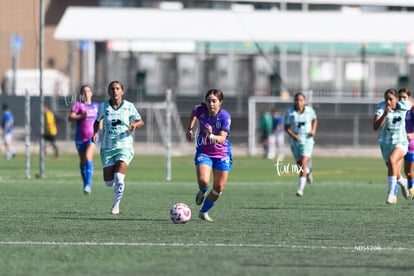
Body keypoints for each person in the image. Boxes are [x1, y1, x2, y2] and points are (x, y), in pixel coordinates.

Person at [92, 80, 144, 215]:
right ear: (109, 92)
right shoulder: (104, 106)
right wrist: (95, 133)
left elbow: (140, 121)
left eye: (117, 88)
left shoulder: (129, 106)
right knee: (109, 183)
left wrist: (134, 125)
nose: (115, 91)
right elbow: (97, 122)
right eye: (112, 89)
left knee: (119, 178)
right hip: (107, 148)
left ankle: (116, 206)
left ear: (122, 91)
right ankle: (115, 183)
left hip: (124, 145)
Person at [186, 89, 232, 222]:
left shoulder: (225, 117)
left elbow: (222, 138)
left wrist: (211, 134)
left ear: (220, 102)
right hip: (204, 151)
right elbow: (194, 113)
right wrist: (190, 128)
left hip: (222, 153)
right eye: (209, 101)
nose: (211, 104)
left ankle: (204, 211)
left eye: (214, 101)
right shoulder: (200, 109)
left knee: (218, 188)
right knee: (204, 180)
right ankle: (202, 190)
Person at [374, 88, 410, 204]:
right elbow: (375, 126)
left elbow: (412, 104)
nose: (388, 102)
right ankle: (403, 182)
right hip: (386, 144)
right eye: (386, 99)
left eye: (391, 99)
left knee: (392, 160)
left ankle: (391, 193)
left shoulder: (404, 105)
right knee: (393, 169)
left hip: (401, 142)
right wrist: (385, 114)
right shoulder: (381, 107)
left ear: (397, 99)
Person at [68, 85, 100, 194]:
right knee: (82, 161)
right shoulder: (78, 105)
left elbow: (102, 118)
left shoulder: (96, 106)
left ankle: (88, 184)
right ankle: (85, 182)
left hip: (93, 137)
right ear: (81, 94)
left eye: (88, 91)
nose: (86, 93)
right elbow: (70, 117)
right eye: (84, 91)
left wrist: (101, 124)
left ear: (91, 93)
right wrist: (81, 116)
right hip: (80, 137)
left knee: (87, 157)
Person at [284, 92, 318, 197]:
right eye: (297, 100)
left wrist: (313, 130)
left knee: (303, 162)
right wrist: (293, 136)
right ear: (294, 101)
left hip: (307, 140)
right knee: (300, 165)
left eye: (301, 100)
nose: (299, 102)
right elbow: (286, 127)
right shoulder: (290, 112)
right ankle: (308, 171)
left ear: (304, 101)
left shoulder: (309, 111)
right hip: (295, 142)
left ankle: (300, 189)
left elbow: (315, 119)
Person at [398, 88, 413, 198]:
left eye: (404, 97)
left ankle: (411, 188)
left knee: (408, 172)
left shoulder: (412, 110)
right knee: (394, 170)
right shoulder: (396, 108)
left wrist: (412, 134)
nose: (402, 99)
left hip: (410, 143)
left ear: (409, 99)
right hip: (398, 143)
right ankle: (393, 195)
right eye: (400, 97)